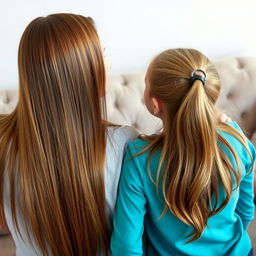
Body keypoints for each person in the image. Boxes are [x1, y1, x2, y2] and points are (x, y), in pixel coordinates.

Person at [0, 13, 138, 256]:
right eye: (102, 54)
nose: (109, 64)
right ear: (80, 70)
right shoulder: (125, 144)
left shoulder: (3, 140)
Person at [111, 48, 255, 256]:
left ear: (154, 104)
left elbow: (125, 247)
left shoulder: (139, 157)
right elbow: (245, 210)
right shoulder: (236, 140)